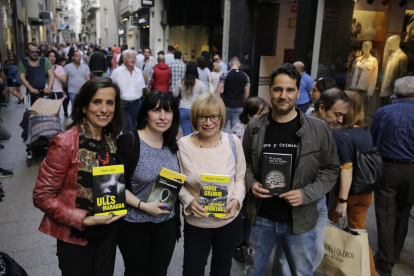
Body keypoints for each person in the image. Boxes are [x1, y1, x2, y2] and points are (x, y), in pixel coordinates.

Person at [242, 63, 340, 276]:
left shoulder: (318, 128)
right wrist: (251, 183)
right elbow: (245, 163)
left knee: (301, 272)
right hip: (261, 217)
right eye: (278, 89)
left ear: (298, 91)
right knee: (253, 271)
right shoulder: (255, 127)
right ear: (270, 91)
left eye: (289, 90)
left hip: (300, 220)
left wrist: (306, 194)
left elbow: (331, 169)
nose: (283, 95)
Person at [32, 77, 125, 276]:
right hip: (76, 235)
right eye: (97, 102)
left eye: (110, 103)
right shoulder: (65, 143)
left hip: (107, 232)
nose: (104, 109)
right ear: (83, 106)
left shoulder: (111, 139)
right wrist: (84, 219)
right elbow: (42, 196)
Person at [178, 93, 246, 275]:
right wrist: (188, 201)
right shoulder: (183, 145)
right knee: (192, 270)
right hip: (197, 222)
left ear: (221, 117)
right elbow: (177, 182)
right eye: (202, 116)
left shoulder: (233, 142)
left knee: (222, 270)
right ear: (194, 118)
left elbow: (240, 178)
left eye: (213, 116)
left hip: (228, 220)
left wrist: (236, 201)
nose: (208, 122)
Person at [116, 91, 181, 276]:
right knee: (136, 271)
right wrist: (143, 206)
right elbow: (114, 185)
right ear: (145, 113)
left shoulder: (173, 144)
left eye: (168, 111)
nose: (162, 117)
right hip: (134, 225)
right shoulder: (129, 141)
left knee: (159, 271)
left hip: (166, 224)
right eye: (156, 110)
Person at [328, 90, 376, 276]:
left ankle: (335, 269)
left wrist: (342, 200)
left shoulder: (340, 134)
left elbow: (345, 168)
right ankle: (368, 272)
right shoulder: (365, 130)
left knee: (333, 236)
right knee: (358, 237)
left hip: (344, 194)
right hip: (365, 192)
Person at [371, 76, 414, 276]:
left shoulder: (383, 112)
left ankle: (385, 261)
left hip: (387, 167)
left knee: (385, 214)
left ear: (396, 92)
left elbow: (373, 139)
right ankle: (395, 253)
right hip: (412, 170)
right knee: (404, 211)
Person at [111, 49, 145, 130]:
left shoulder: (138, 72)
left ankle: (132, 141)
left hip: (136, 103)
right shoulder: (117, 72)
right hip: (123, 103)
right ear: (124, 59)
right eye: (130, 57)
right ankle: (127, 141)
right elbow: (111, 87)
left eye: (134, 58)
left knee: (134, 125)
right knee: (127, 125)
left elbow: (142, 87)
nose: (133, 60)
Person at [214, 57, 250, 130]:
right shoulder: (245, 76)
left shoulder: (225, 74)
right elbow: (247, 94)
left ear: (230, 64)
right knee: (235, 129)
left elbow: (218, 91)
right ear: (239, 64)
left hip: (226, 105)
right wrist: (242, 102)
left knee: (221, 128)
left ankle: (221, 141)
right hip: (238, 106)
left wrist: (216, 103)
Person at [173, 61, 207, 136]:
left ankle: (186, 147)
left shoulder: (181, 82)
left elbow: (175, 94)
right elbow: (204, 98)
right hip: (196, 110)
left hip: (183, 109)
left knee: (186, 134)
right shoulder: (200, 83)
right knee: (196, 134)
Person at [46, 50, 70, 116]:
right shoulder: (44, 67)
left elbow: (64, 80)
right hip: (46, 92)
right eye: (50, 56)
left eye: (54, 56)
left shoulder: (59, 68)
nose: (52, 58)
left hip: (57, 92)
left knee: (56, 112)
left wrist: (55, 74)